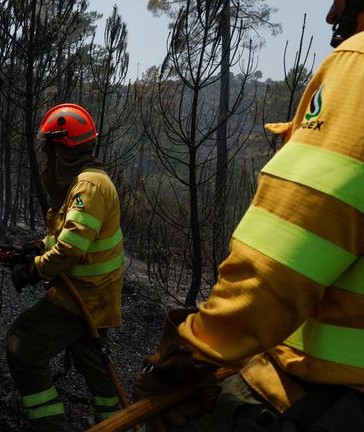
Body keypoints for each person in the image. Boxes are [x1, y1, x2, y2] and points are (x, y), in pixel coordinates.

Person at [133, 1, 364, 431]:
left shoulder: (359, 66)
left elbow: (283, 254)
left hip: (323, 397)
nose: (332, 16)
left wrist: (199, 352)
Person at [5, 103, 125, 431]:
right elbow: (66, 236)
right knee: (94, 365)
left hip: (81, 298)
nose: (47, 155)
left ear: (64, 147)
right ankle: (121, 423)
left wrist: (34, 270)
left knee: (22, 343)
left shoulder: (89, 186)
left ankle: (50, 425)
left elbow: (71, 249)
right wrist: (35, 248)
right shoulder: (84, 182)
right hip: (91, 296)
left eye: (50, 147)